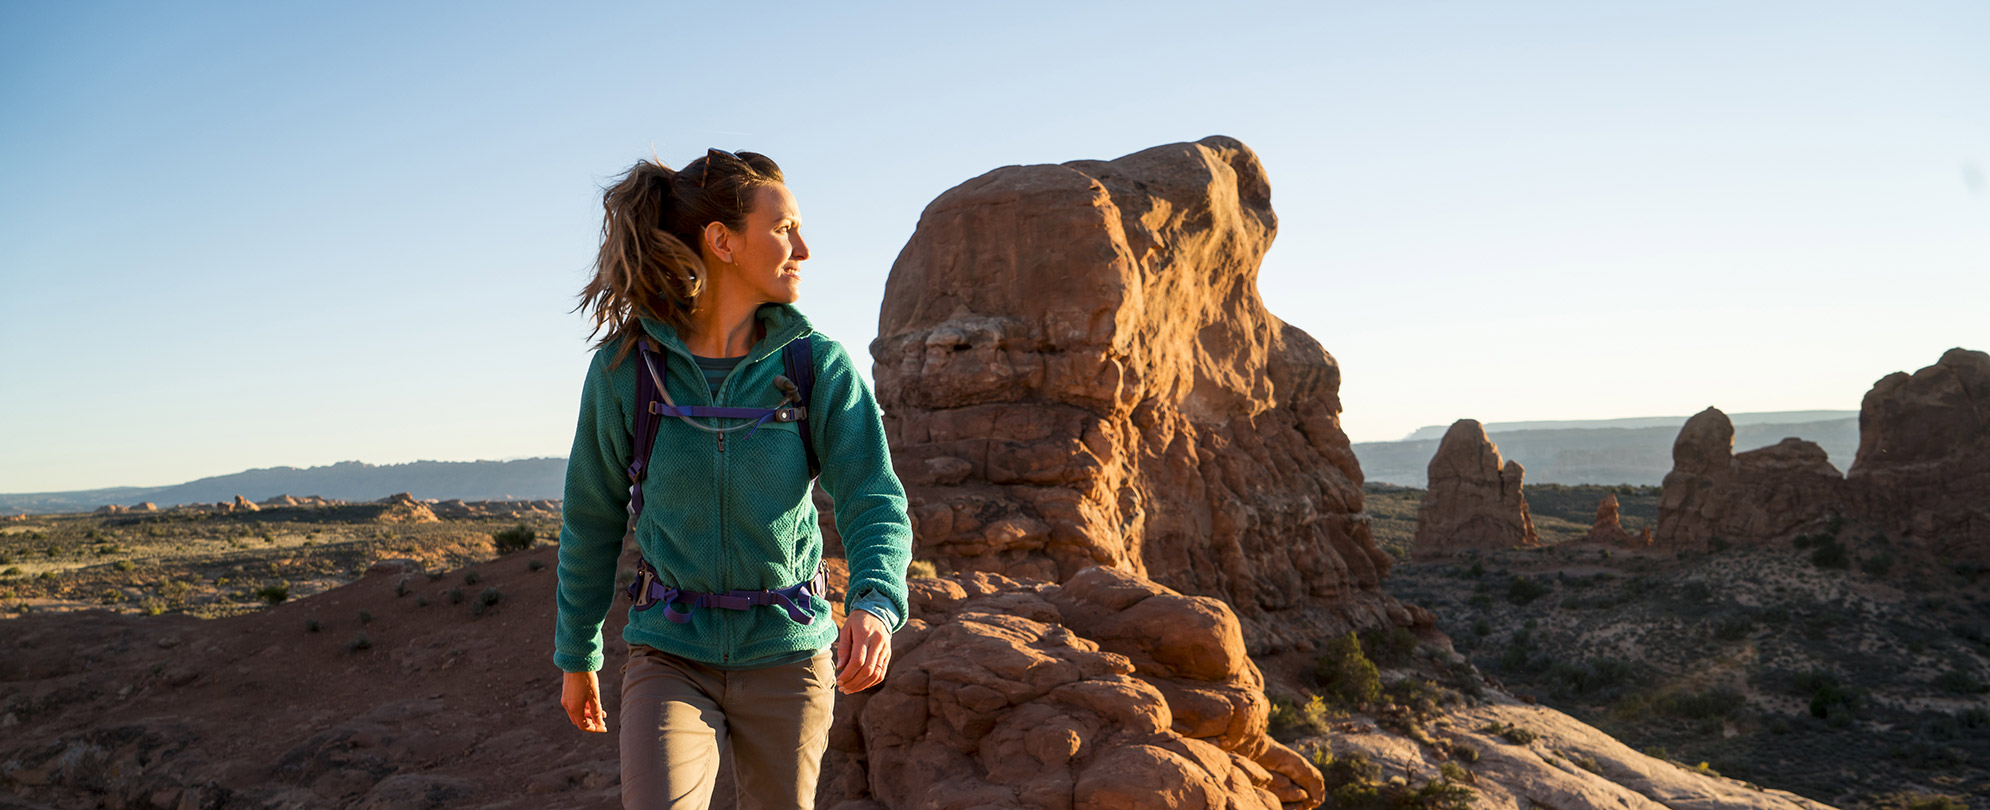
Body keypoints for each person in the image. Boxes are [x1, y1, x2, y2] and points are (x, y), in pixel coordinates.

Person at [553, 148, 911, 809]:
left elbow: (873, 497)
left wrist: (876, 605)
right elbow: (591, 519)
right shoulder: (627, 372)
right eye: (784, 229)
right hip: (670, 656)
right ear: (722, 241)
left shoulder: (817, 367)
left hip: (789, 654)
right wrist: (578, 653)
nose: (803, 247)